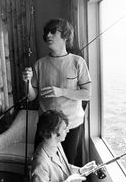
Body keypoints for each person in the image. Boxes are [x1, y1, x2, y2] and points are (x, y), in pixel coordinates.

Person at [23, 18, 91, 164]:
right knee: (41, 163)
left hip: (70, 126)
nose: (48, 35)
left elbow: (87, 93)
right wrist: (27, 82)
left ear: (65, 36)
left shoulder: (78, 62)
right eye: (46, 32)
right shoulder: (39, 64)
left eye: (53, 31)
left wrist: (62, 92)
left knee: (67, 165)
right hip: (46, 125)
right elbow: (31, 96)